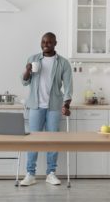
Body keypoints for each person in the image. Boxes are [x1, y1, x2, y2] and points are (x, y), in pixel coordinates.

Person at [20, 32, 73, 186]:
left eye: (49, 42)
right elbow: (24, 82)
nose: (45, 44)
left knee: (53, 140)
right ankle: (30, 174)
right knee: (32, 140)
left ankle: (51, 173)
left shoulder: (63, 63)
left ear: (55, 43)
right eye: (43, 42)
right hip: (35, 106)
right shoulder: (33, 59)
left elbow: (68, 86)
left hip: (54, 106)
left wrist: (66, 104)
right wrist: (27, 71)